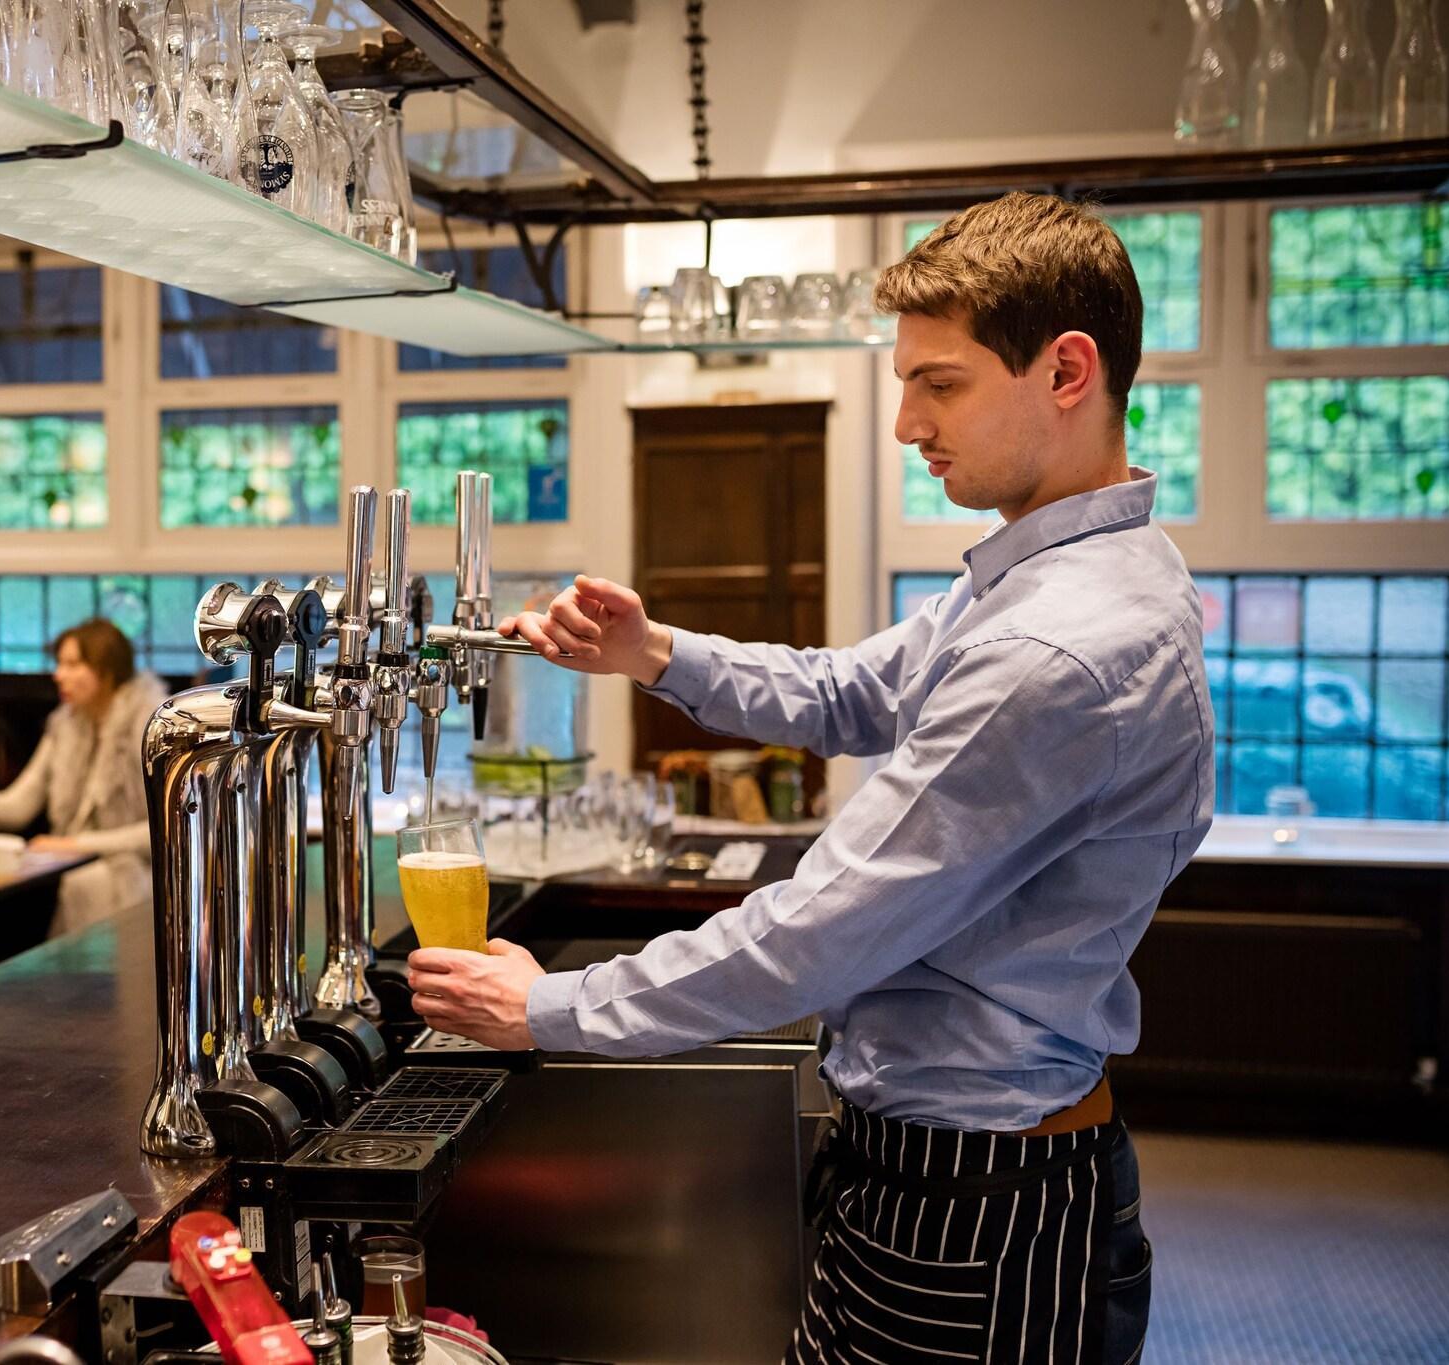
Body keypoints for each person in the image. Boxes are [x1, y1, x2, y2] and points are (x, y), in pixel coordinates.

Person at [408, 193, 1213, 1364]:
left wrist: (546, 1012)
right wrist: (653, 654)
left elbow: (819, 931)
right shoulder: (1048, 577)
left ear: (1065, 370)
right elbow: (850, 693)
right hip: (941, 1172)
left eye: (938, 384)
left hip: (980, 1209)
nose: (903, 423)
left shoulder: (1055, 648)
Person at [0, 619, 166, 936]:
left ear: (107, 668)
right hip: (73, 867)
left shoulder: (148, 726)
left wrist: (75, 844)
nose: (59, 675)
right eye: (59, 664)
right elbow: (19, 805)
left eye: (73, 664)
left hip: (142, 872)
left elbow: (162, 829)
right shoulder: (64, 724)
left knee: (90, 884)